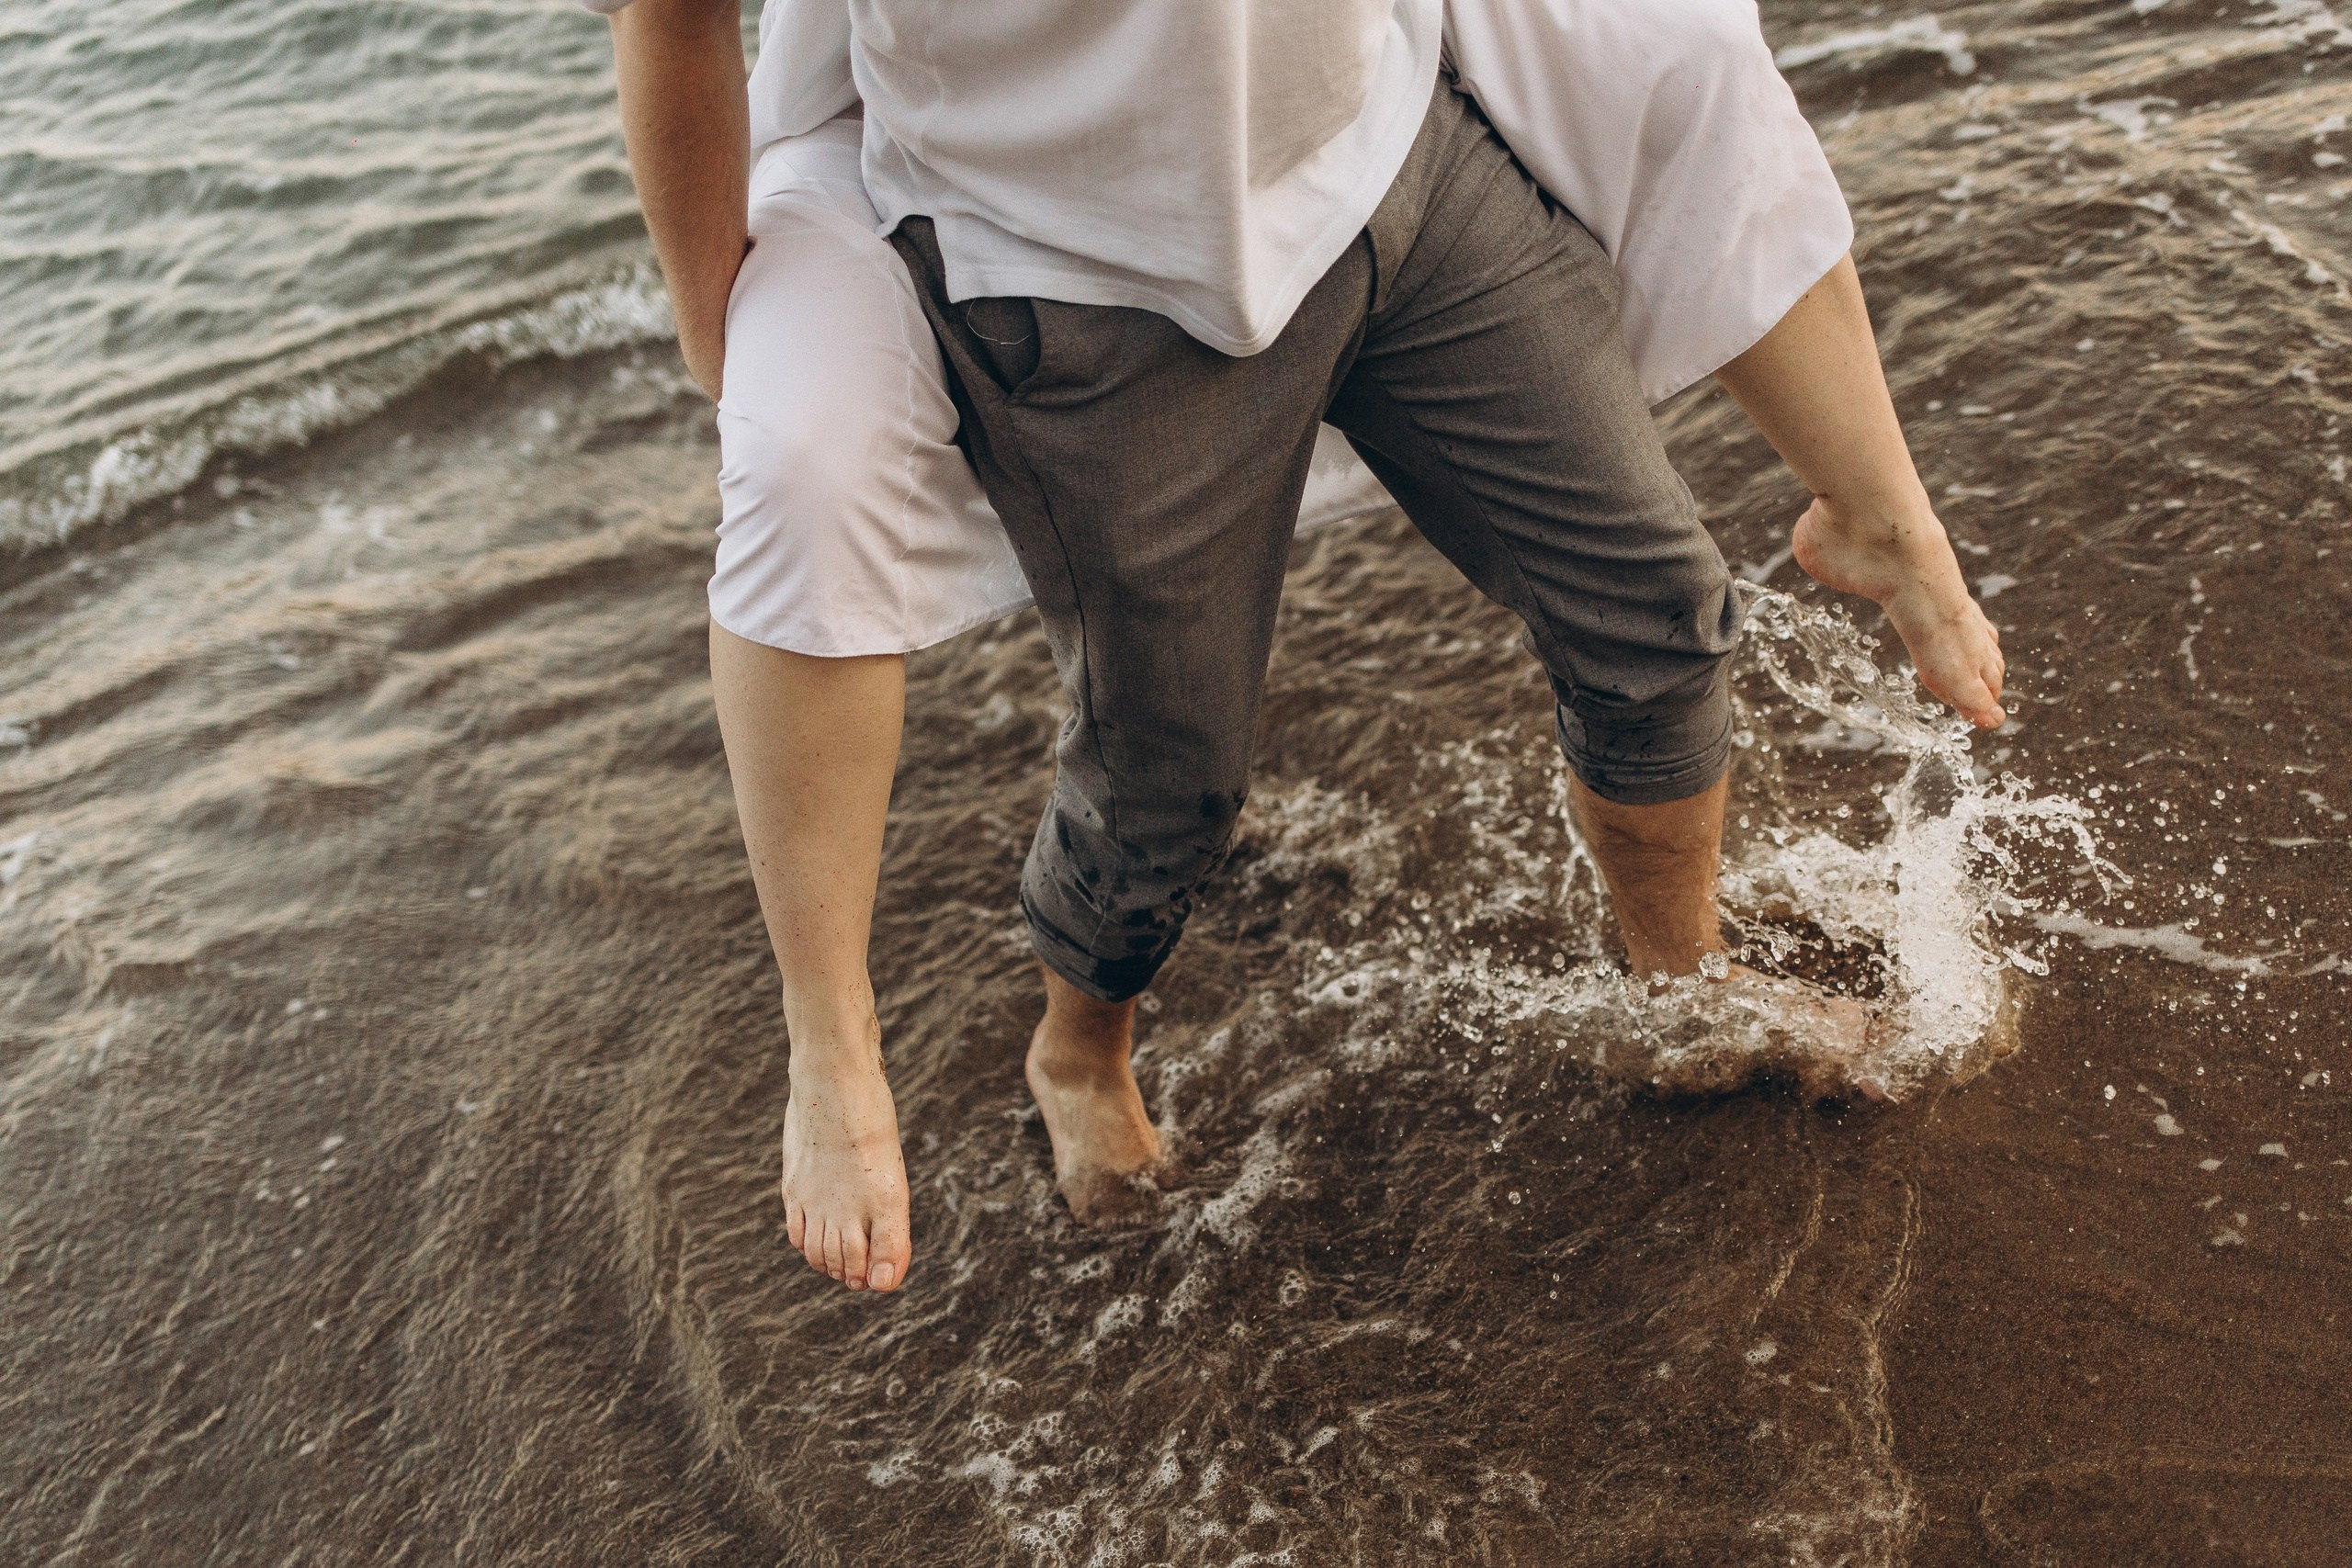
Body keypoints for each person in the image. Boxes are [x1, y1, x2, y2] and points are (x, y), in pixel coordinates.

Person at [594, 0, 2007, 1297]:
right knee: (1166, 782)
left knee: (1654, 612)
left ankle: (1682, 982)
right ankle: (1074, 1053)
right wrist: (730, 342)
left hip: (1394, 162)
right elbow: (673, 16)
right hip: (1081, 288)